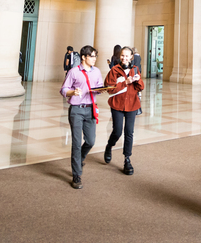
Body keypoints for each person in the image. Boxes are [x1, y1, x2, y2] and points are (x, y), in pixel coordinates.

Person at [60, 45, 104, 189]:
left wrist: (102, 90)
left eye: (95, 56)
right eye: (92, 56)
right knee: (76, 142)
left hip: (91, 109)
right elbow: (64, 89)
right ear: (84, 57)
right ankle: (76, 175)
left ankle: (80, 159)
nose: (94, 59)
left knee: (91, 141)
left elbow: (99, 86)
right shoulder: (74, 72)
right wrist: (72, 93)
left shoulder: (97, 71)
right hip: (76, 110)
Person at [104, 46, 144, 175]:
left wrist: (138, 81)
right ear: (119, 56)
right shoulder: (114, 70)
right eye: (122, 55)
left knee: (129, 132)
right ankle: (109, 146)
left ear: (131, 57)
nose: (124, 58)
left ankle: (127, 159)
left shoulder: (135, 69)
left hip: (132, 104)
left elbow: (140, 87)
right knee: (117, 131)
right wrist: (125, 82)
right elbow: (109, 88)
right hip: (117, 104)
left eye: (127, 56)